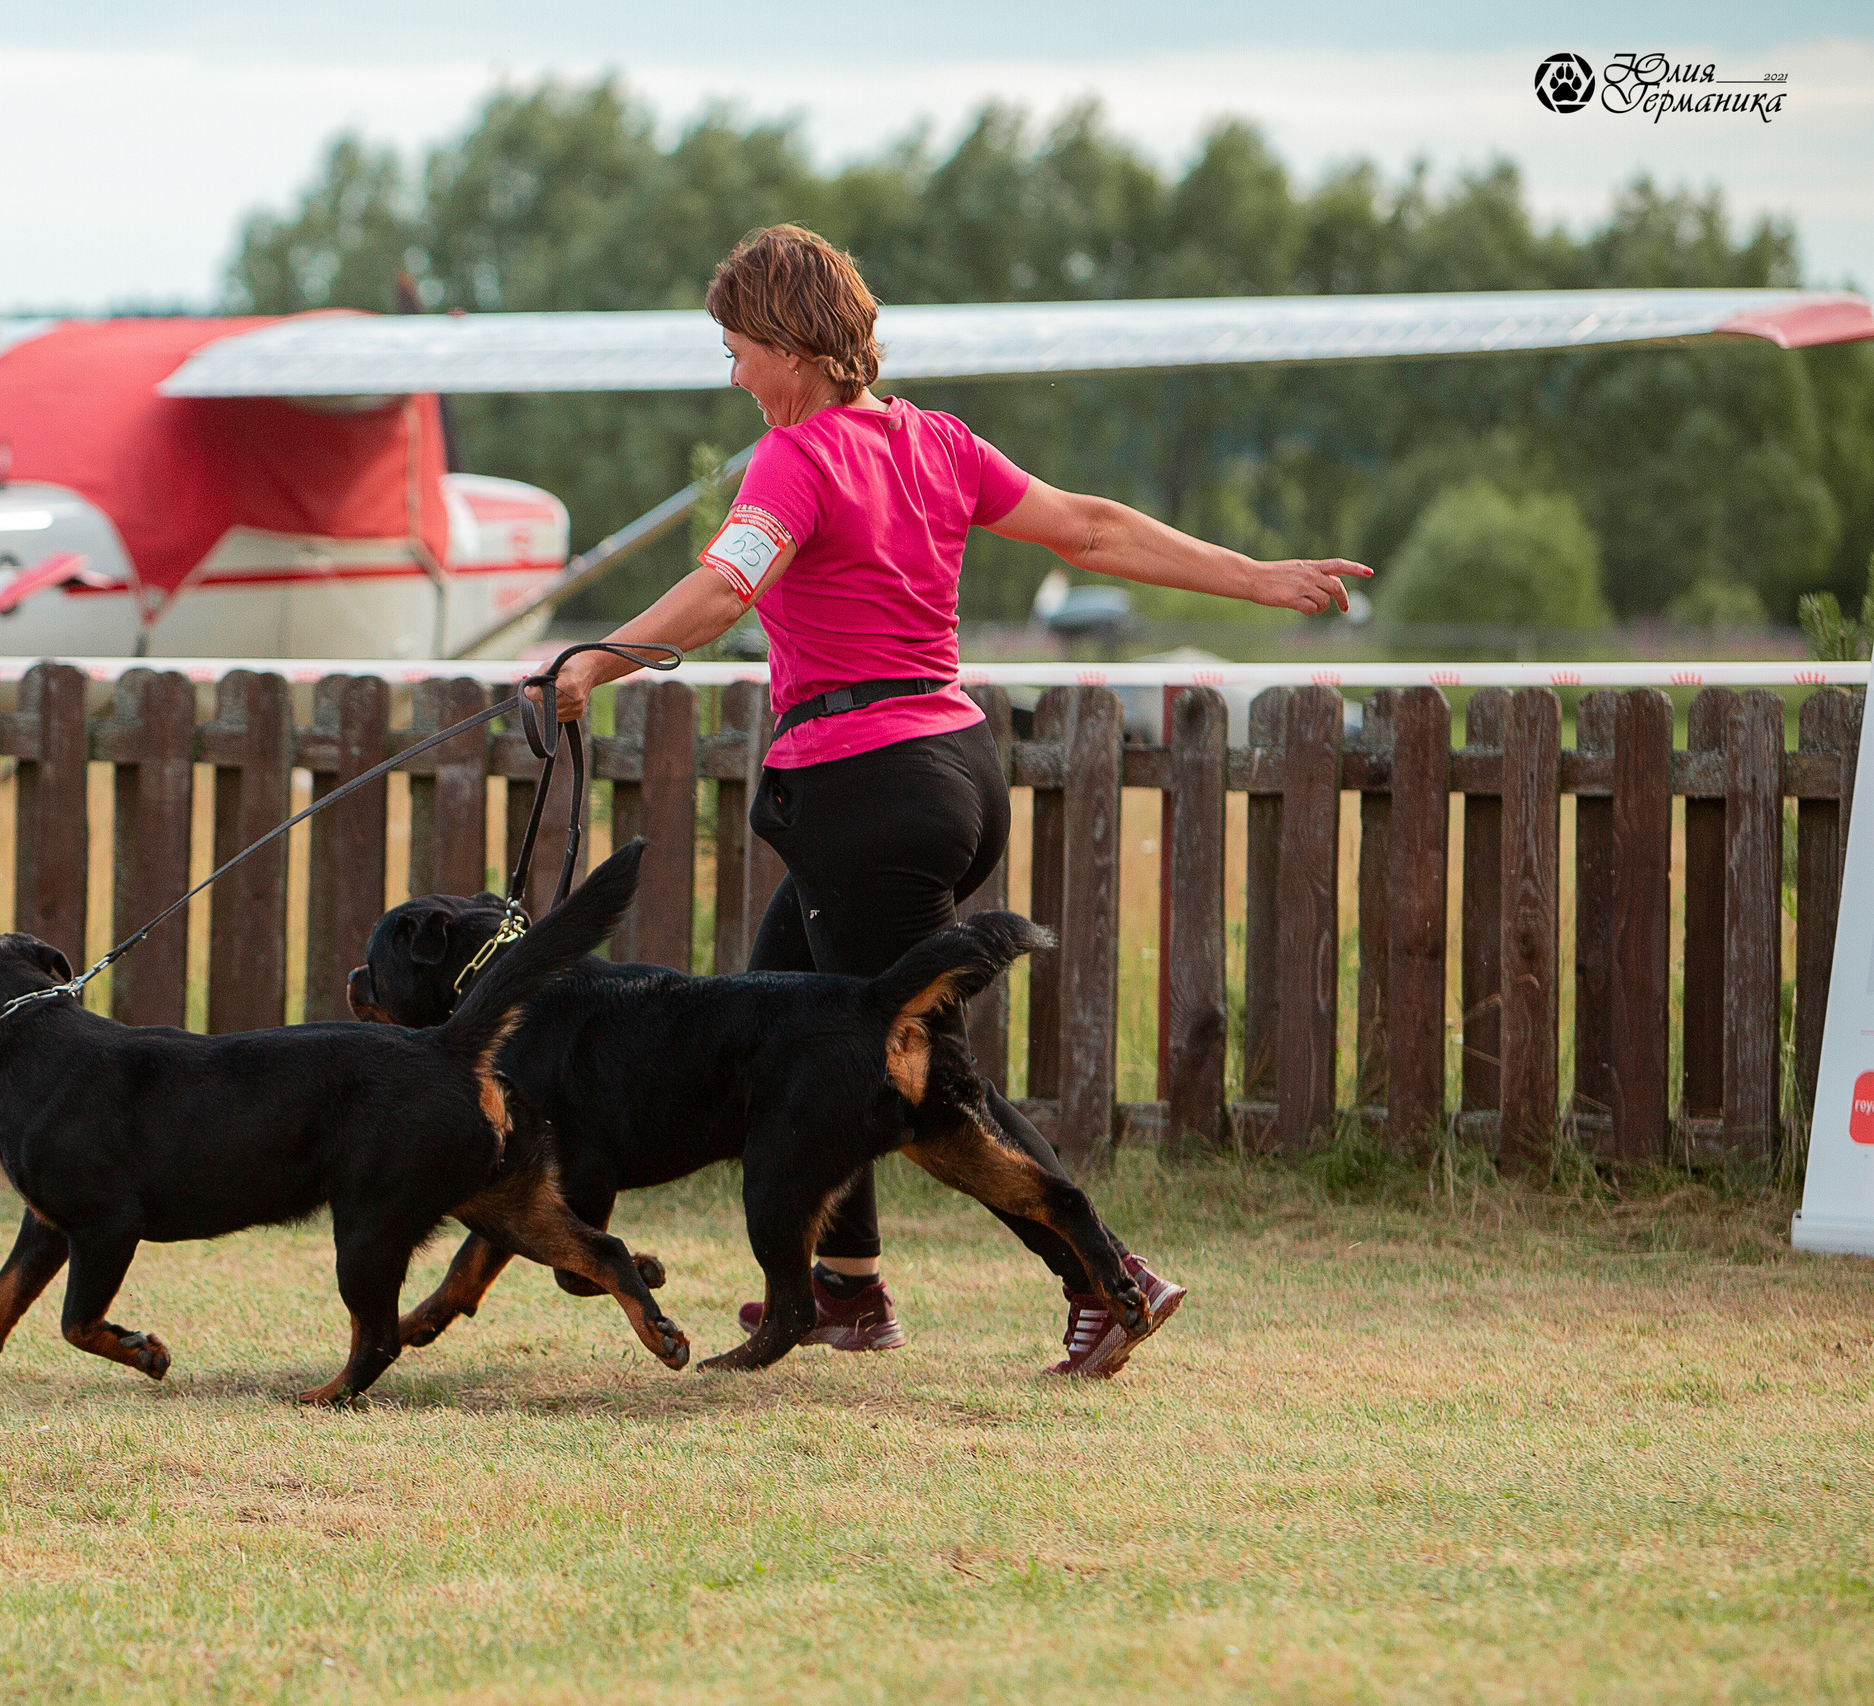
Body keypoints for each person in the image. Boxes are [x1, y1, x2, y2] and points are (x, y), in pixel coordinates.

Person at [540, 225, 1371, 1376]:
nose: (729, 373)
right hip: (956, 768)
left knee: (929, 1076)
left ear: (788, 342)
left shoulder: (793, 458)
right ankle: (845, 1287)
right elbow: (1088, 525)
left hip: (863, 792)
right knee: (793, 1025)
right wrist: (1253, 575)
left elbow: (724, 587)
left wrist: (595, 658)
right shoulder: (933, 438)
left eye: (734, 349)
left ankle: (1106, 1274)